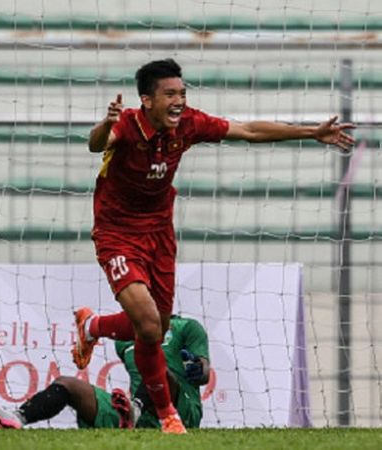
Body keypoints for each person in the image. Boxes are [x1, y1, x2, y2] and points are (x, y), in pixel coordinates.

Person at [73, 58, 355, 434]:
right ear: (147, 100)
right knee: (147, 321)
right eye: (170, 94)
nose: (179, 100)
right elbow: (97, 145)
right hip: (117, 234)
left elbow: (249, 130)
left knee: (155, 327)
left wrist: (310, 132)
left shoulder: (188, 123)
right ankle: (168, 415)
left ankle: (91, 325)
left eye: (182, 93)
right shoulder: (126, 124)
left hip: (159, 234)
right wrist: (106, 123)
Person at [0, 315, 211, 430]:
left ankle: (134, 409)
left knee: (158, 370)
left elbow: (205, 371)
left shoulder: (186, 327)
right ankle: (16, 419)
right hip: (136, 417)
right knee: (67, 384)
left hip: (181, 412)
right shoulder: (123, 339)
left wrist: (198, 369)